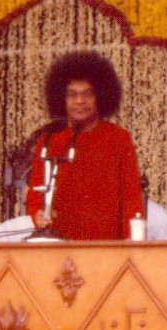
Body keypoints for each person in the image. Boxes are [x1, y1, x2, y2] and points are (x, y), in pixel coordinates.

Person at [26, 50, 143, 240]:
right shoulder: (48, 141)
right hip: (58, 244)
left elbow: (131, 198)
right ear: (61, 99)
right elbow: (36, 194)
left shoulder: (119, 138)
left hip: (105, 246)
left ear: (101, 97)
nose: (80, 101)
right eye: (72, 95)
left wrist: (130, 244)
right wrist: (37, 215)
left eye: (87, 94)